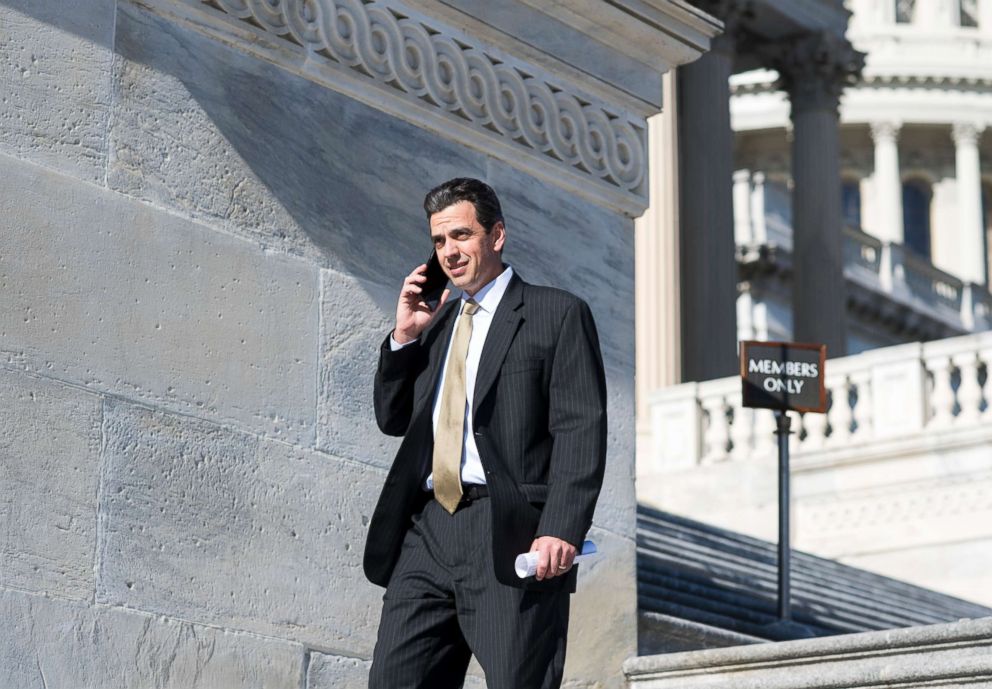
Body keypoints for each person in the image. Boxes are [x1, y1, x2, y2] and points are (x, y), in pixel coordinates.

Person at [364, 177, 608, 689]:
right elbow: (393, 419)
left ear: (496, 235)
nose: (449, 253)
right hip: (428, 530)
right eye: (438, 242)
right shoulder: (439, 322)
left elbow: (580, 429)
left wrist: (561, 526)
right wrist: (405, 337)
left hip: (510, 528)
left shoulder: (555, 313)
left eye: (461, 235)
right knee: (394, 679)